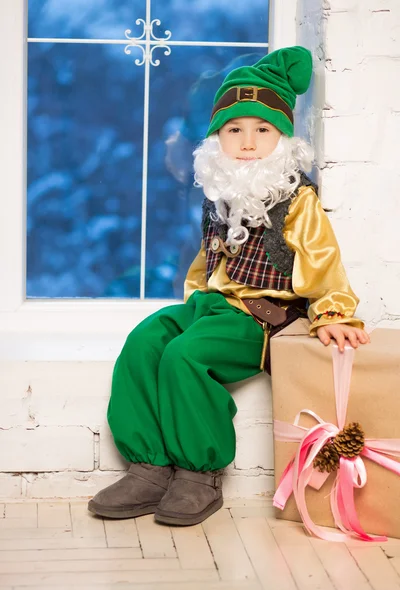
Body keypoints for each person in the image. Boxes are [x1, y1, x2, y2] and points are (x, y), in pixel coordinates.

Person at [88, 46, 370, 527]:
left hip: (259, 317)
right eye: (234, 129)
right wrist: (195, 298)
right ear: (217, 137)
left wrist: (334, 311)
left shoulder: (295, 200)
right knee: (145, 341)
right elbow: (206, 260)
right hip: (212, 304)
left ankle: (199, 474)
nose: (247, 142)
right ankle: (149, 466)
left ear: (281, 138)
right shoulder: (220, 194)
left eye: (262, 130)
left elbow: (324, 261)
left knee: (185, 356)